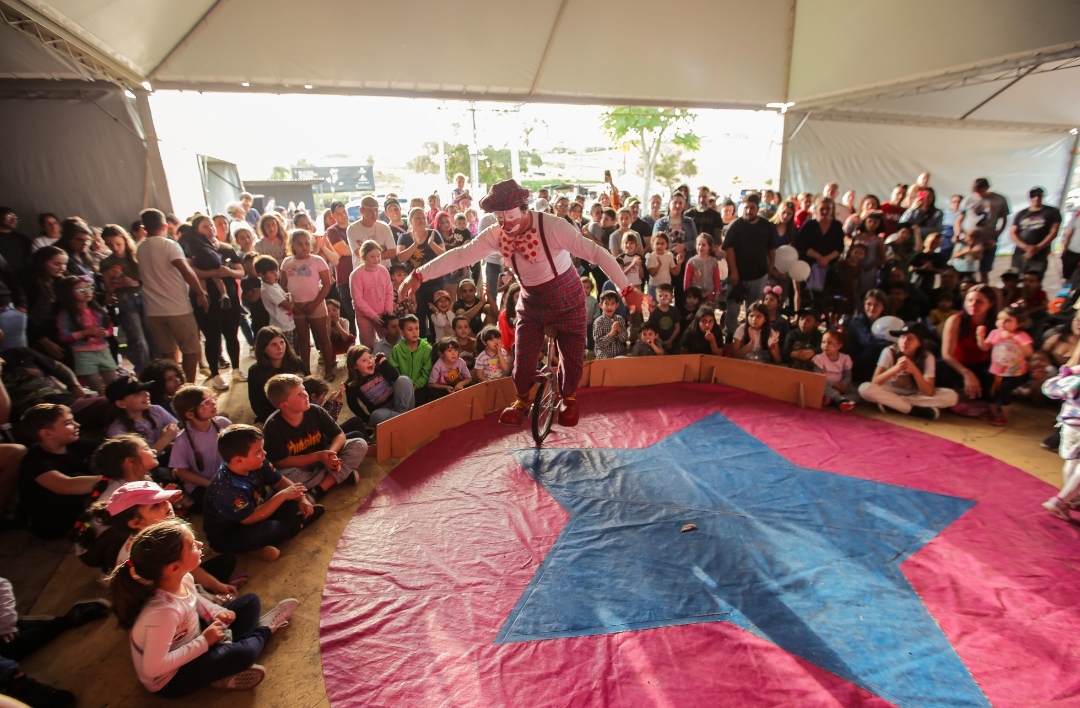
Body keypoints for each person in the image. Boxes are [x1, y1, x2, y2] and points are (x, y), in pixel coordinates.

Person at [400, 179, 642, 427]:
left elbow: (596, 253)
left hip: (568, 298)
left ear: (524, 208)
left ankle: (569, 396)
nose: (505, 225)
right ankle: (522, 400)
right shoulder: (496, 234)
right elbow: (461, 254)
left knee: (571, 356)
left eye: (510, 218)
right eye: (499, 219)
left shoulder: (553, 227)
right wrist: (420, 274)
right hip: (531, 302)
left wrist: (627, 288)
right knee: (522, 360)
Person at [110, 518, 298, 696]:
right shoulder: (163, 614)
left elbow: (197, 602)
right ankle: (264, 629)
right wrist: (204, 642)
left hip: (193, 640)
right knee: (245, 654)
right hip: (172, 677)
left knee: (250, 602)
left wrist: (218, 613)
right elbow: (153, 669)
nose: (200, 545)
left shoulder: (184, 577)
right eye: (192, 545)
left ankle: (221, 668)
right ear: (173, 568)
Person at [203, 425, 322, 561]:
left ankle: (261, 546)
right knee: (259, 532)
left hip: (258, 510)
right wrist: (282, 495)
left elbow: (280, 481)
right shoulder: (227, 488)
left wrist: (300, 499)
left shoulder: (258, 462)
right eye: (258, 452)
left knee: (291, 497)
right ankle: (298, 523)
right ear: (238, 460)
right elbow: (250, 519)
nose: (264, 453)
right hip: (234, 531)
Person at [262, 374, 367, 501]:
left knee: (359, 444)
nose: (306, 395)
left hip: (324, 458)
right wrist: (318, 456)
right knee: (281, 478)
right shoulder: (272, 427)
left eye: (304, 390)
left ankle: (319, 488)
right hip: (300, 468)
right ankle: (336, 478)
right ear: (284, 405)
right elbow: (281, 462)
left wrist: (331, 453)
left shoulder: (315, 410)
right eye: (299, 395)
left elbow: (339, 435)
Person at [136, 209, 208, 385]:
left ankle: (172, 387)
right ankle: (189, 386)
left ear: (144, 228)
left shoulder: (140, 248)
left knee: (168, 353)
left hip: (154, 310)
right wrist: (200, 293)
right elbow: (185, 270)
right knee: (190, 350)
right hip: (178, 308)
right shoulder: (169, 245)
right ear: (165, 226)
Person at [17, 403, 98, 539]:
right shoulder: (35, 460)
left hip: (73, 514)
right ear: (46, 433)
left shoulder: (78, 445)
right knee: (78, 479)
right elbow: (65, 486)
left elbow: (110, 450)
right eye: (68, 423)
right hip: (47, 524)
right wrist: (113, 479)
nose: (77, 425)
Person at [859, 322, 958, 419]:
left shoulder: (927, 357)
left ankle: (893, 404)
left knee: (952, 396)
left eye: (910, 339)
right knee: (865, 389)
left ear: (919, 343)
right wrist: (896, 368)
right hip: (891, 390)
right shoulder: (889, 351)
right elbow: (875, 382)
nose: (904, 342)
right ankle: (913, 409)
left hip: (915, 393)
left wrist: (915, 371)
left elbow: (928, 393)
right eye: (902, 337)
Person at [280, 229, 334, 380]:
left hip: (316, 304)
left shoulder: (317, 260)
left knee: (323, 338)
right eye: (300, 244)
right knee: (303, 340)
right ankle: (306, 372)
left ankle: (328, 369)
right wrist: (293, 305)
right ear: (292, 245)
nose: (304, 246)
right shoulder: (287, 262)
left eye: (307, 243)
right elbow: (282, 286)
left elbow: (327, 285)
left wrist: (314, 304)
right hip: (296, 307)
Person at [722, 193, 778, 339]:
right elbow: (729, 250)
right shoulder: (735, 226)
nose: (748, 211)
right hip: (737, 277)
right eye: (746, 208)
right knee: (732, 310)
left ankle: (750, 337)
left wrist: (771, 265)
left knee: (754, 311)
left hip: (758, 275)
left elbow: (771, 248)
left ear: (757, 208)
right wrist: (734, 273)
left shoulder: (766, 226)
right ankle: (730, 337)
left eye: (752, 208)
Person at [100, 224, 152, 372]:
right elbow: (109, 290)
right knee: (138, 340)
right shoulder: (107, 263)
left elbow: (150, 278)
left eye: (118, 243)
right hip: (125, 299)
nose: (115, 248)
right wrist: (111, 280)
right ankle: (144, 371)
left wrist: (135, 282)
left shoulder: (137, 255)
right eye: (110, 245)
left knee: (152, 336)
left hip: (144, 296)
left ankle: (158, 369)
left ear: (125, 240)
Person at [168, 385, 230, 510]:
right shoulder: (182, 440)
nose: (213, 402)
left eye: (212, 398)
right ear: (190, 414)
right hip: (202, 485)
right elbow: (183, 472)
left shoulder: (223, 423)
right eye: (206, 402)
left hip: (227, 476)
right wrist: (212, 484)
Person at [55, 275, 117, 393]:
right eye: (81, 290)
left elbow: (110, 328)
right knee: (96, 388)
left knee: (113, 383)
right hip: (83, 353)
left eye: (89, 288)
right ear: (69, 293)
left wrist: (105, 333)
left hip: (103, 351)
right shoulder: (66, 315)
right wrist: (84, 333)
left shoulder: (98, 310)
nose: (87, 292)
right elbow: (64, 336)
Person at [975, 304, 1033, 426]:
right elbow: (985, 347)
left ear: (1020, 324)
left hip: (1014, 373)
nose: (1002, 322)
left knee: (1004, 391)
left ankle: (1005, 417)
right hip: (995, 371)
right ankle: (993, 413)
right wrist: (980, 337)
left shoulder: (1021, 336)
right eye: (1000, 318)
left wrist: (1013, 339)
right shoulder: (995, 333)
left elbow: (1028, 352)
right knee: (990, 392)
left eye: (1007, 320)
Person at [939, 284, 997, 401]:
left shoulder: (995, 324)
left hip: (982, 366)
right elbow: (947, 355)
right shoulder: (956, 320)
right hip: (956, 365)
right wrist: (967, 373)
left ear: (990, 304)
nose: (973, 305)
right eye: (970, 300)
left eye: (979, 301)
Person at [396, 207, 446, 340]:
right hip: (414, 286)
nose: (421, 220)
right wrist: (414, 245)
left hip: (434, 282)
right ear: (410, 221)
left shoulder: (433, 233)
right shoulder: (404, 237)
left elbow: (444, 254)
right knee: (418, 316)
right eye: (417, 218)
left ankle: (437, 346)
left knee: (436, 316)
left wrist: (431, 244)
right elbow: (400, 257)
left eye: (423, 217)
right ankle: (420, 346)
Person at [1040, 358, 1080, 520]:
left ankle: (1071, 498)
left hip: (1069, 424)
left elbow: (1051, 389)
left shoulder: (1075, 373)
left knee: (1072, 460)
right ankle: (1061, 500)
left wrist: (1067, 375)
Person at [105, 375, 179, 458]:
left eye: (145, 390)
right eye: (137, 394)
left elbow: (182, 430)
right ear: (121, 404)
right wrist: (165, 439)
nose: (146, 394)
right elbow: (140, 462)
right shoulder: (118, 430)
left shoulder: (156, 410)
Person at [956, 178, 1011, 284]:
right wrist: (958, 233)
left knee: (984, 270)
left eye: (981, 191)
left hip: (987, 239)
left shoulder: (999, 199)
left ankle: (984, 291)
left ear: (987, 188)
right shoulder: (968, 200)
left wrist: (996, 236)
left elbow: (1004, 220)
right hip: (969, 239)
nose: (979, 194)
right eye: (976, 191)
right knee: (965, 268)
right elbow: (959, 219)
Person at [246, 326, 305, 425]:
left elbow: (309, 387)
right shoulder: (255, 372)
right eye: (274, 344)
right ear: (263, 349)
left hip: (300, 411)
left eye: (282, 342)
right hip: (273, 417)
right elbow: (258, 405)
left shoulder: (296, 363)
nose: (280, 348)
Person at [1008, 187, 1062, 277]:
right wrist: (1026, 247)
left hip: (1040, 253)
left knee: (1035, 280)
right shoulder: (1021, 213)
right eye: (1034, 196)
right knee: (1016, 277)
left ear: (1042, 196)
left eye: (1039, 195)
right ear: (1030, 198)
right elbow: (1013, 233)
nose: (1036, 198)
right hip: (1020, 252)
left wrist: (1037, 248)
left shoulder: (1052, 212)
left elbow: (1053, 232)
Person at [350, 240, 393, 349]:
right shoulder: (356, 275)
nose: (376, 259)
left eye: (378, 256)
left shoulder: (383, 271)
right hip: (364, 315)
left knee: (387, 341)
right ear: (363, 257)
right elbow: (358, 299)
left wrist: (388, 308)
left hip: (383, 313)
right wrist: (373, 315)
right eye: (372, 256)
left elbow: (389, 291)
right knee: (367, 344)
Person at [389, 314, 433, 405]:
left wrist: (416, 385)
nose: (415, 332)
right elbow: (394, 370)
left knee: (420, 402)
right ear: (402, 332)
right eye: (410, 329)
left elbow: (427, 371)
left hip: (420, 386)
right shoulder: (397, 349)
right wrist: (404, 386)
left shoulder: (427, 348)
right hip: (402, 387)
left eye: (417, 328)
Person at [814, 329, 856, 411]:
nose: (825, 345)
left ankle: (834, 400)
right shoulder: (819, 358)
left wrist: (843, 384)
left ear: (839, 346)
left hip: (841, 385)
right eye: (823, 342)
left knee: (857, 392)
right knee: (821, 387)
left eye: (829, 343)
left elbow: (848, 375)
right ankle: (840, 400)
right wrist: (834, 384)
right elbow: (818, 377)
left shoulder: (845, 358)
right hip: (827, 384)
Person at [645, 283, 681, 353]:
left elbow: (677, 327)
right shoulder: (654, 313)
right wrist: (661, 342)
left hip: (673, 340)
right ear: (656, 296)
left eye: (666, 295)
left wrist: (670, 341)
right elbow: (652, 329)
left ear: (672, 297)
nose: (662, 298)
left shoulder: (674, 310)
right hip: (658, 341)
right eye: (660, 295)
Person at [592, 291, 627, 359]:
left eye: (612, 303)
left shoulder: (620, 319)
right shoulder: (598, 322)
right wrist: (611, 333)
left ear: (616, 305)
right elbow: (599, 342)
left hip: (619, 353)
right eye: (606, 303)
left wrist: (619, 330)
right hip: (603, 354)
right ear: (601, 305)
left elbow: (624, 339)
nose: (609, 306)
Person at [645, 232, 679, 299]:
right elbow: (652, 273)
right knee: (652, 307)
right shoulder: (650, 256)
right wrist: (659, 265)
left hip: (666, 286)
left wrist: (679, 263)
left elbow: (675, 272)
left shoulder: (669, 255)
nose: (659, 246)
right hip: (654, 286)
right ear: (653, 245)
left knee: (665, 306)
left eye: (662, 243)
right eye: (657, 243)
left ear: (666, 245)